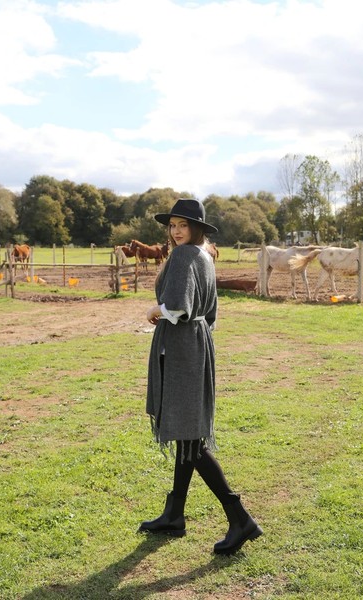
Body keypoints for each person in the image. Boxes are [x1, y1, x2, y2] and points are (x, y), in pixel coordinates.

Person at [138, 198, 263, 555]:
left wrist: (156, 310)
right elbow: (209, 315)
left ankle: (239, 517)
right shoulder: (205, 256)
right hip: (197, 346)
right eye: (172, 225)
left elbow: (178, 305)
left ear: (196, 228)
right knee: (186, 434)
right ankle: (174, 514)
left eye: (183, 225)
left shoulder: (183, 256)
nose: (176, 231)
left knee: (191, 440)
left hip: (182, 351)